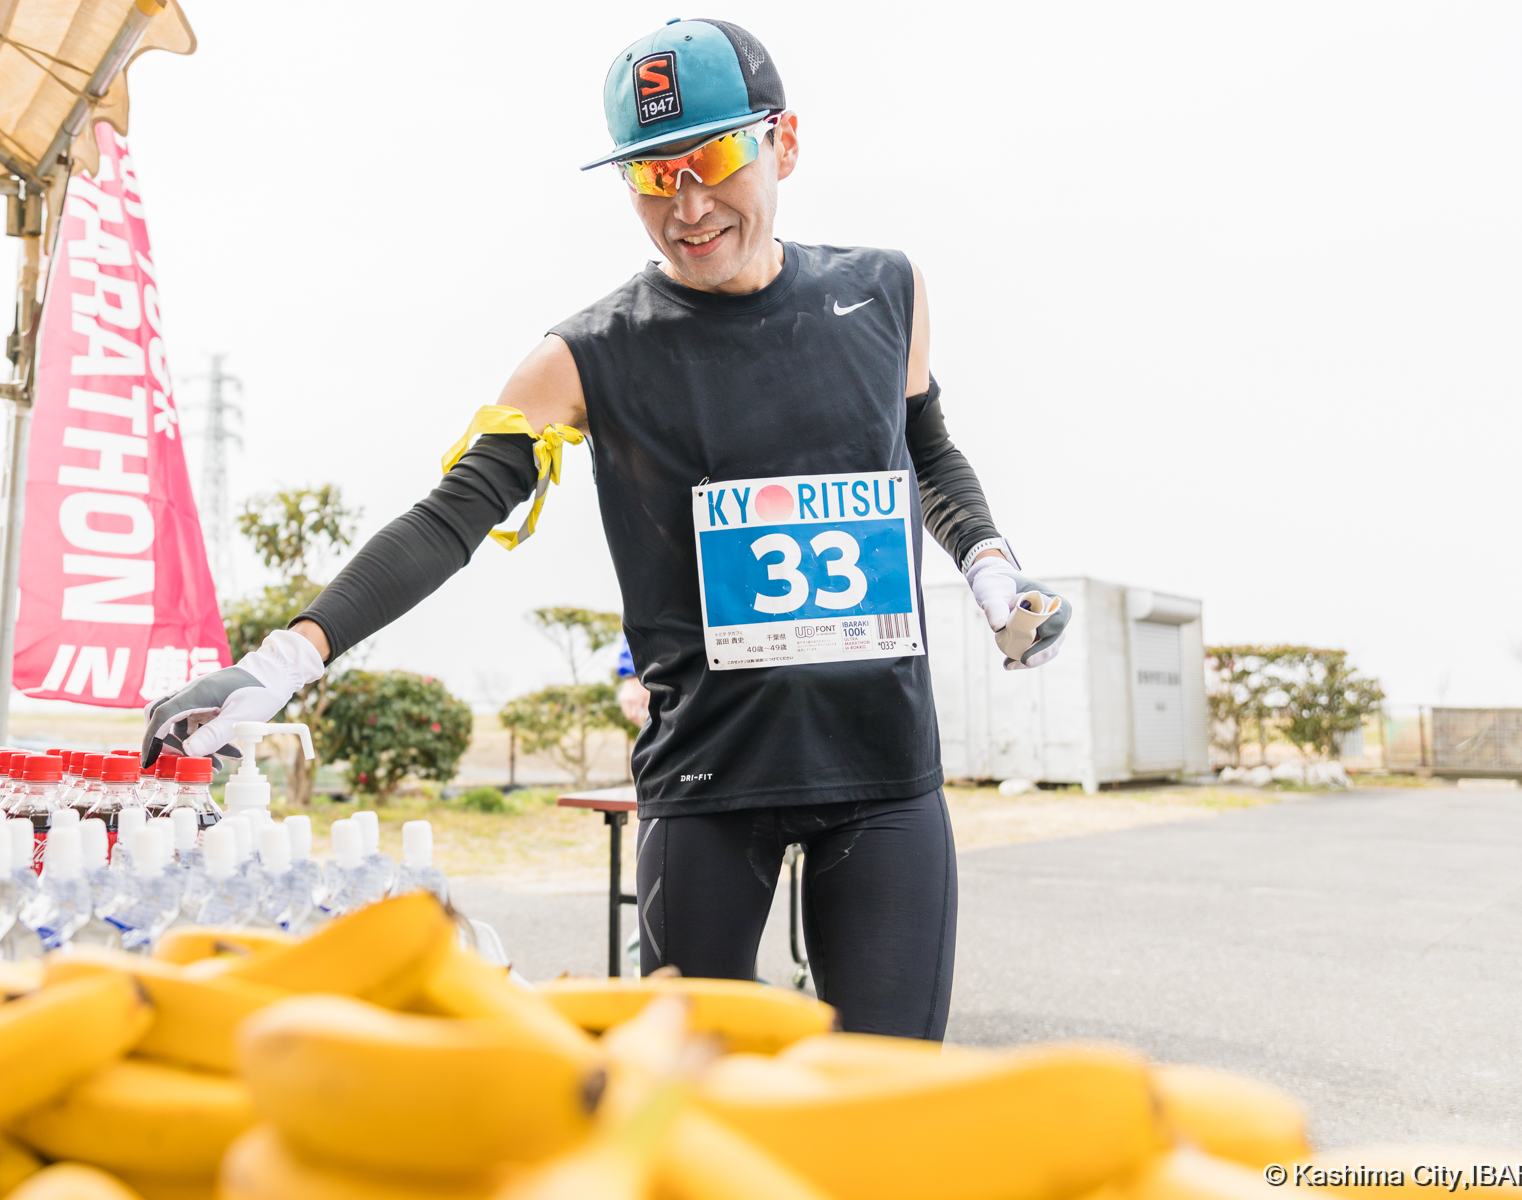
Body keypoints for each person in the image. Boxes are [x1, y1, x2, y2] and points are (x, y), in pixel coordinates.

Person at [141, 18, 1069, 1040]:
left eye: (714, 158)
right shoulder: (584, 356)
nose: (688, 204)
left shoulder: (886, 291)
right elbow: (455, 513)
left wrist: (991, 572)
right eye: (650, 174)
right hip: (710, 781)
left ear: (784, 144)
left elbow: (925, 452)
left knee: (888, 1104)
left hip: (883, 771)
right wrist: (278, 663)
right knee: (678, 1106)